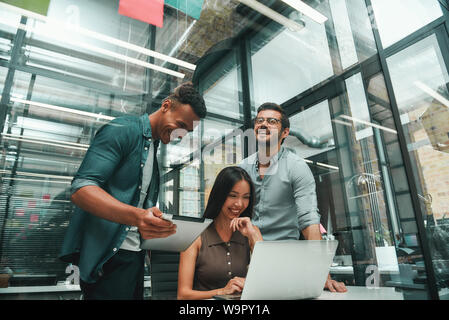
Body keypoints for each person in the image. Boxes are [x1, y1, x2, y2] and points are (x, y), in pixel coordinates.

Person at [59, 82, 207, 300]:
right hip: (108, 259)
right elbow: (81, 189)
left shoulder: (153, 151)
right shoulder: (123, 130)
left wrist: (154, 221)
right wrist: (139, 217)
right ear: (166, 105)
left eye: (187, 131)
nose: (181, 134)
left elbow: (136, 207)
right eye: (180, 125)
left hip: (133, 256)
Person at [239, 102, 347, 293]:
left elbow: (309, 222)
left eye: (272, 121)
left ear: (285, 132)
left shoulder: (296, 167)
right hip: (247, 259)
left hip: (285, 260)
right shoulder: (242, 168)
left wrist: (321, 274)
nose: (263, 124)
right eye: (260, 120)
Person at [177, 166, 263, 300]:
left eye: (246, 197)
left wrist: (254, 236)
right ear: (220, 195)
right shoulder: (195, 236)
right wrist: (222, 291)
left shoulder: (251, 231)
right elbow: (183, 295)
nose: (239, 204)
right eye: (232, 195)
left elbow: (267, 280)